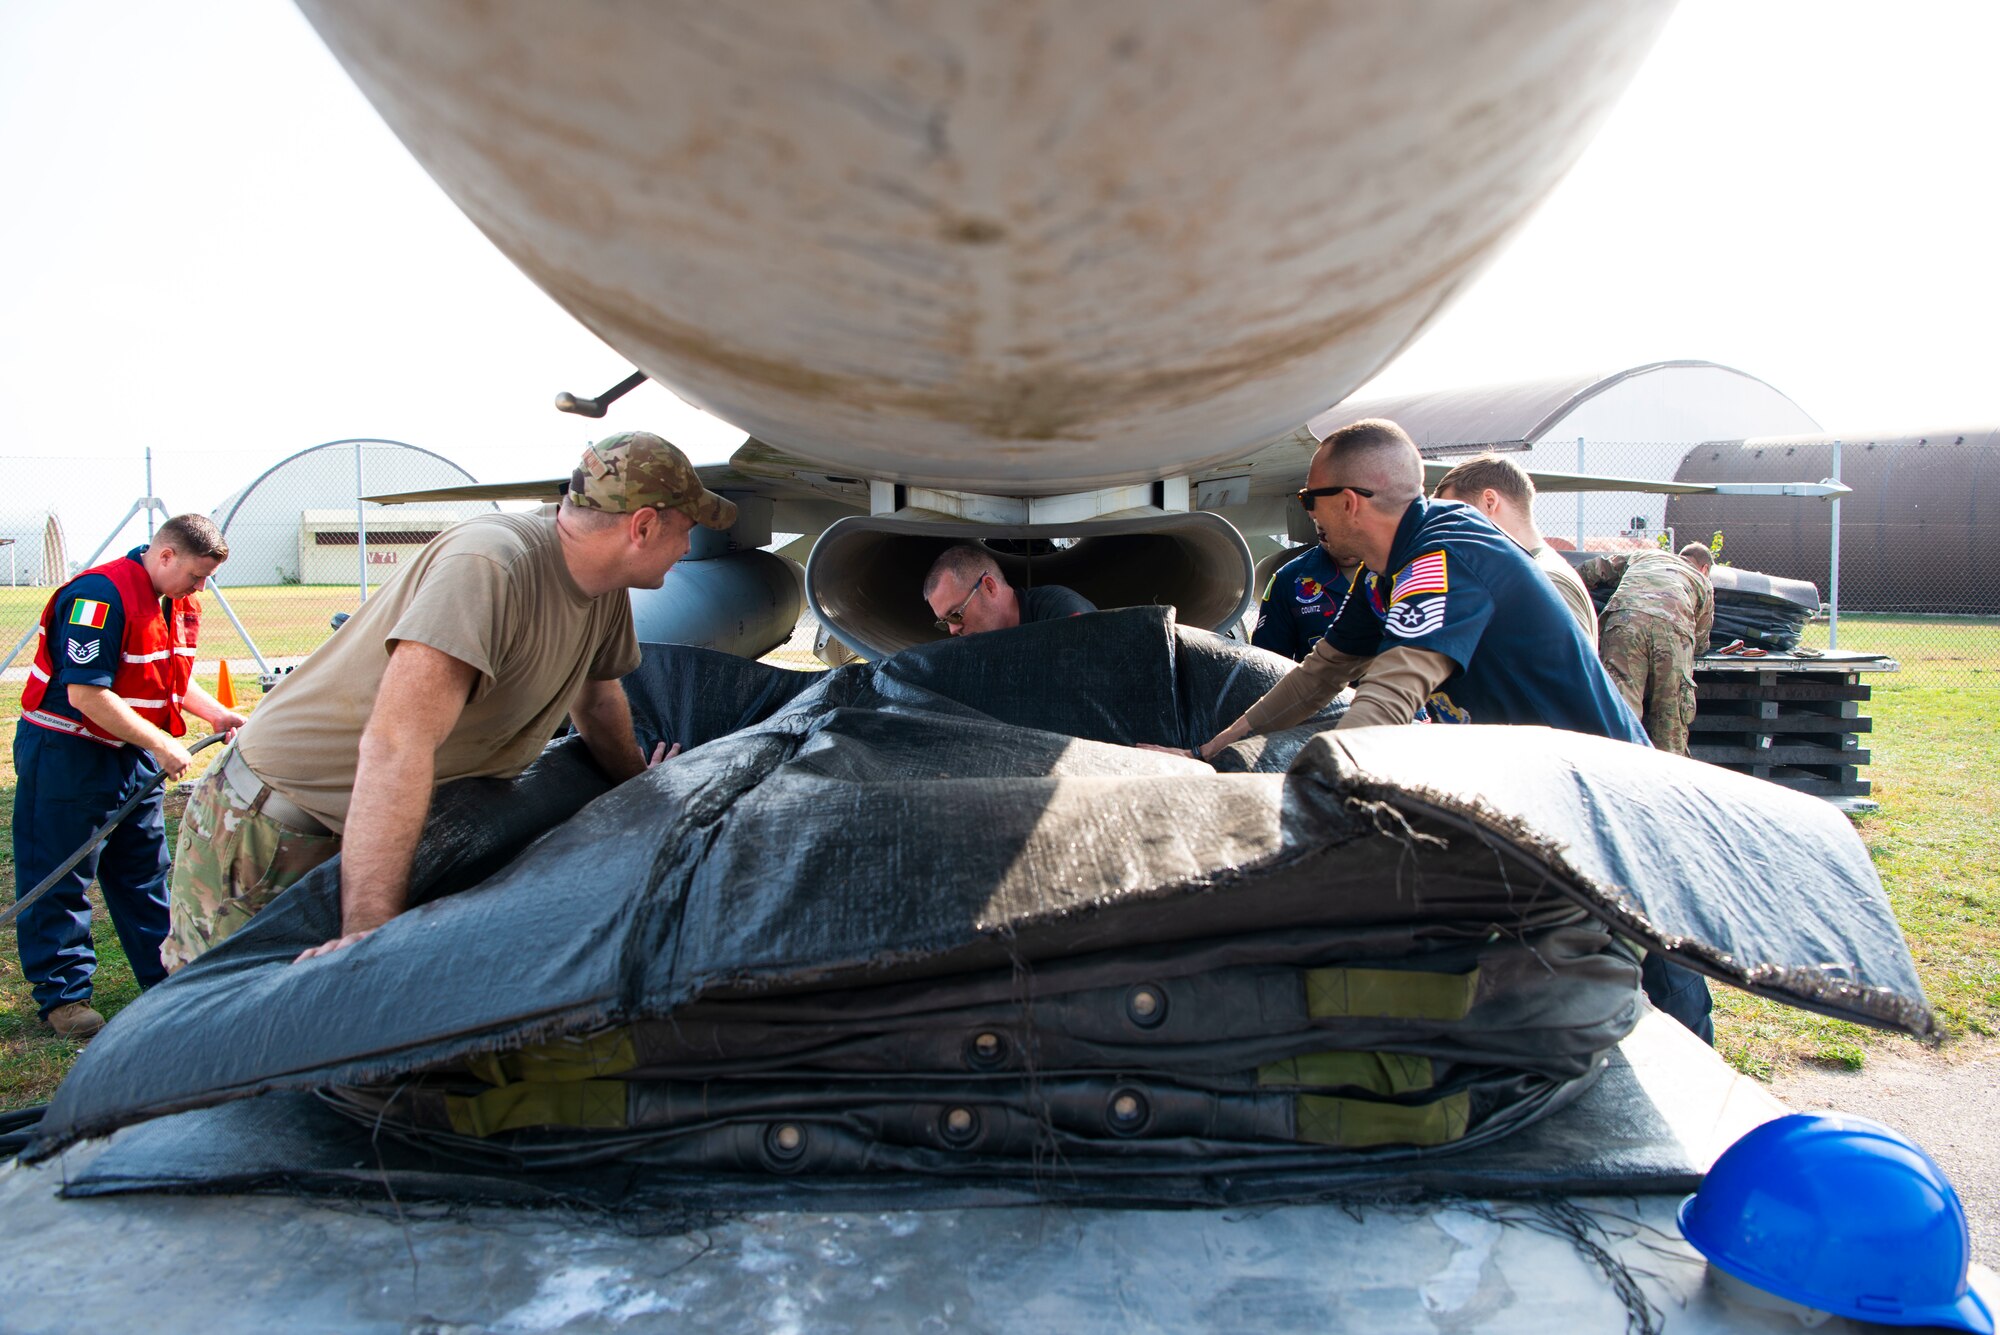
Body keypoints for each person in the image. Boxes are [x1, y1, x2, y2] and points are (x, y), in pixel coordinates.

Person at [1161, 419, 1712, 1044]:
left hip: (1609, 802)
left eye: (1308, 498)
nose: (1307, 513)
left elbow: (1388, 698)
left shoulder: (1443, 552)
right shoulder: (1385, 568)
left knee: (1662, 980)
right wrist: (1209, 752)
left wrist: (1286, 812)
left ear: (1348, 501)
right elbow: (1318, 676)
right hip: (1542, 800)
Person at [162, 431, 737, 967]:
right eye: (686, 528)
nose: (689, 546)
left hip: (379, 828)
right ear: (641, 526)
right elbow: (397, 742)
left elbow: (598, 698)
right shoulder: (491, 565)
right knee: (223, 1020)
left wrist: (640, 785)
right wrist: (367, 932)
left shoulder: (602, 586)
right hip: (280, 825)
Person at [13, 514, 245, 1038]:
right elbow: (87, 694)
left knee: (144, 872)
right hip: (68, 753)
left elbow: (166, 684)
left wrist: (215, 714)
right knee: (60, 875)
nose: (200, 587)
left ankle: (164, 980)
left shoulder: (176, 602)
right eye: (196, 575)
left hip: (130, 752)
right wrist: (162, 742)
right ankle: (64, 997)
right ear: (166, 556)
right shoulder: (97, 597)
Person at [1432, 453, 1598, 641]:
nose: (1452, 531)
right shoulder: (1532, 573)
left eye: (1458, 515)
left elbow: (1572, 668)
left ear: (1490, 502)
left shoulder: (1545, 580)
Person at [1576, 543, 1716, 757]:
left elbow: (1596, 567)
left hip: (1625, 622)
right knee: (1670, 717)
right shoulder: (1702, 581)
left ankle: (1614, 771)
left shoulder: (1646, 556)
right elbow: (1700, 637)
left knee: (1621, 706)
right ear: (1705, 568)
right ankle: (1668, 779)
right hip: (1674, 629)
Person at [922, 545, 1095, 636]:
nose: (953, 630)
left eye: (955, 614)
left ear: (989, 587)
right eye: (944, 623)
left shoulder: (1061, 613)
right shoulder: (982, 641)